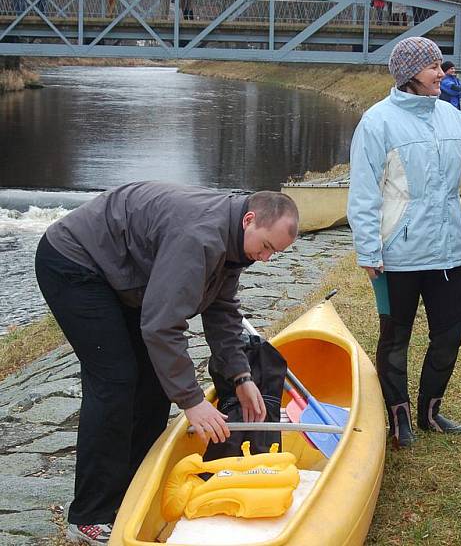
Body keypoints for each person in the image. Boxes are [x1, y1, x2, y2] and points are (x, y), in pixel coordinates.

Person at [35, 182, 299, 545]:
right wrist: (192, 401)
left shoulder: (237, 244)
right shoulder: (199, 237)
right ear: (250, 220)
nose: (266, 258)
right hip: (76, 262)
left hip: (124, 276)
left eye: (276, 253)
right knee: (115, 382)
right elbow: (162, 326)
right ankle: (90, 516)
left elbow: (221, 310)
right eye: (267, 247)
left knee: (155, 385)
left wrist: (241, 376)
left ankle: (132, 490)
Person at [347, 37, 461, 448]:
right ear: (411, 74)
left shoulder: (450, 115)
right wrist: (369, 251)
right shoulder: (377, 123)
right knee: (396, 337)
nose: (443, 74)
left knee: (450, 332)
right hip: (398, 255)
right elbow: (363, 193)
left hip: (449, 249)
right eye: (434, 67)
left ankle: (431, 410)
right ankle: (399, 418)